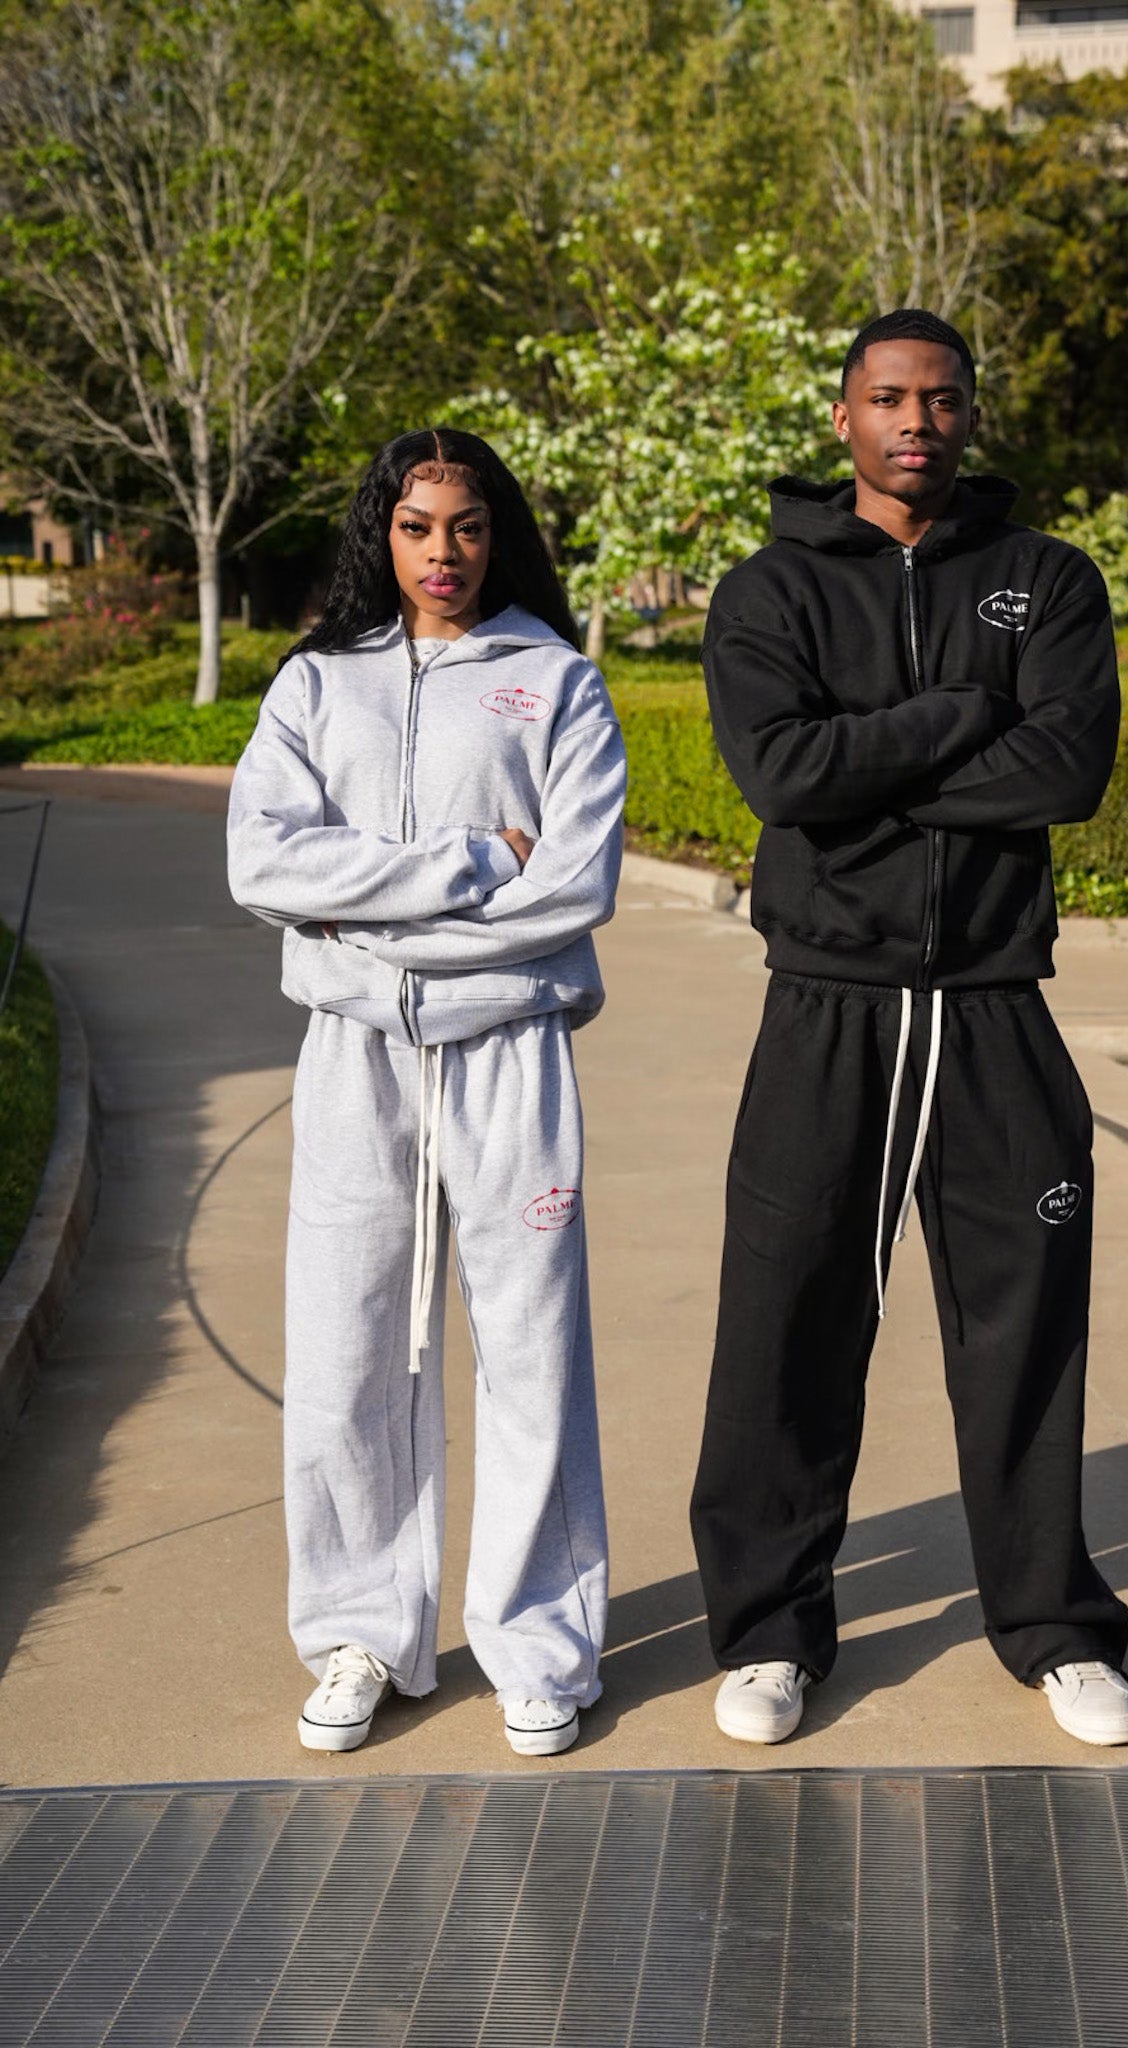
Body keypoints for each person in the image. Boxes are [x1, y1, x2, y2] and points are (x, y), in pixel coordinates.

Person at [689, 309, 1128, 1749]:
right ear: (844, 417)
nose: (914, 424)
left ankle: (1052, 1625)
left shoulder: (1045, 579)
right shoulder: (770, 589)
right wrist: (960, 712)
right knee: (788, 1320)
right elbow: (780, 776)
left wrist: (864, 778)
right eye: (887, 398)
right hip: (826, 1006)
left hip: (994, 1004)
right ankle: (770, 1634)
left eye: (939, 400)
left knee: (1024, 1325)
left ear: (969, 413)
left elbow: (1067, 767)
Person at [227, 427, 625, 1758]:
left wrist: (368, 926)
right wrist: (466, 864)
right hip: (356, 1062)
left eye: (465, 526)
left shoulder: (555, 682)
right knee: (345, 1354)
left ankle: (539, 1645)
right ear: (380, 535)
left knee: (530, 1355)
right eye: (415, 527)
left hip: (512, 1053)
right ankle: (360, 1632)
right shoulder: (316, 684)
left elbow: (573, 887)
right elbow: (260, 863)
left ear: (496, 535)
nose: (442, 553)